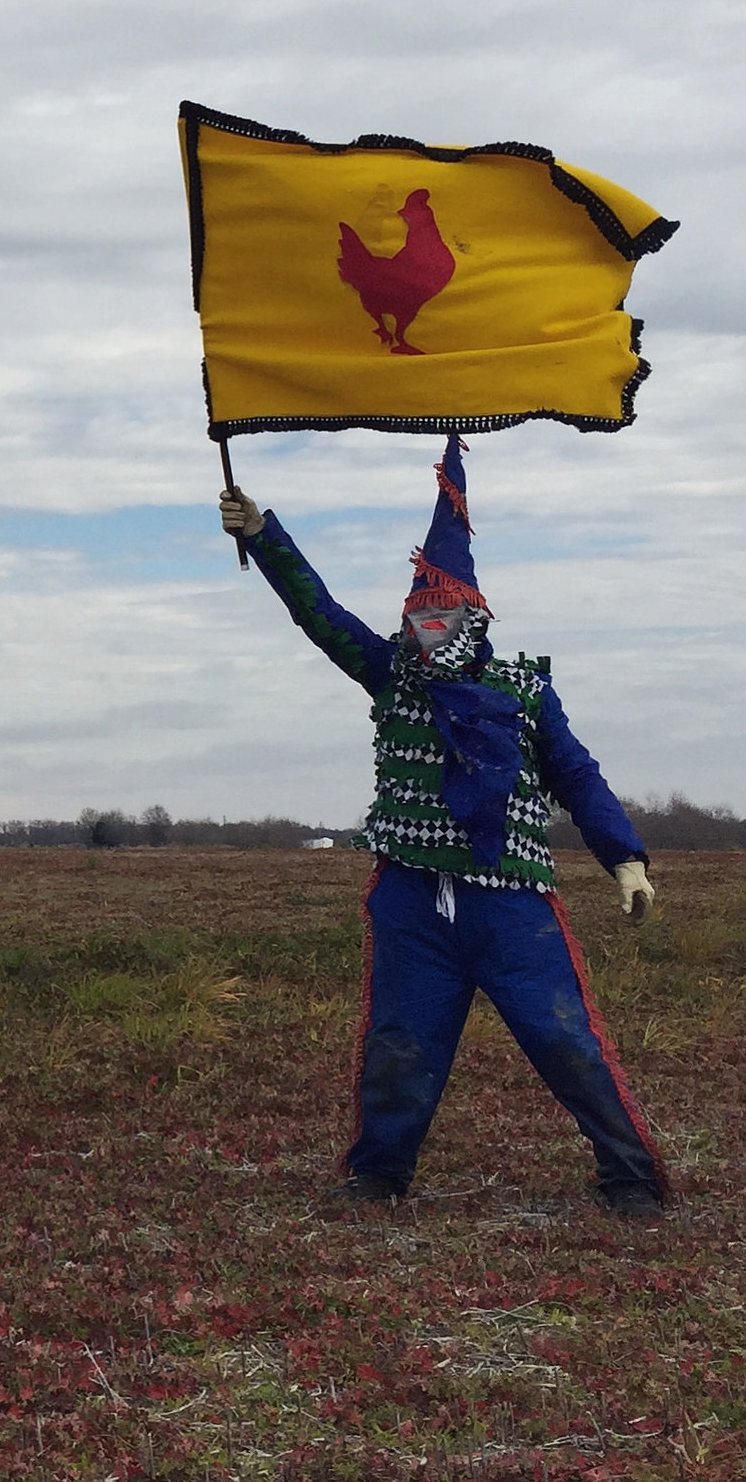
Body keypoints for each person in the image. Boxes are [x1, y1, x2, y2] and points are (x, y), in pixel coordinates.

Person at [219, 434, 667, 1217]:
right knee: (400, 1043)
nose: (428, 625)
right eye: (418, 612)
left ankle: (631, 1177)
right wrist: (264, 536)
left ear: (475, 609)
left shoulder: (524, 690)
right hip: (411, 899)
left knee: (566, 1041)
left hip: (513, 904)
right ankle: (378, 1175)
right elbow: (321, 616)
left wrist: (624, 858)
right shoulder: (390, 673)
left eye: (443, 611)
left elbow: (576, 773)